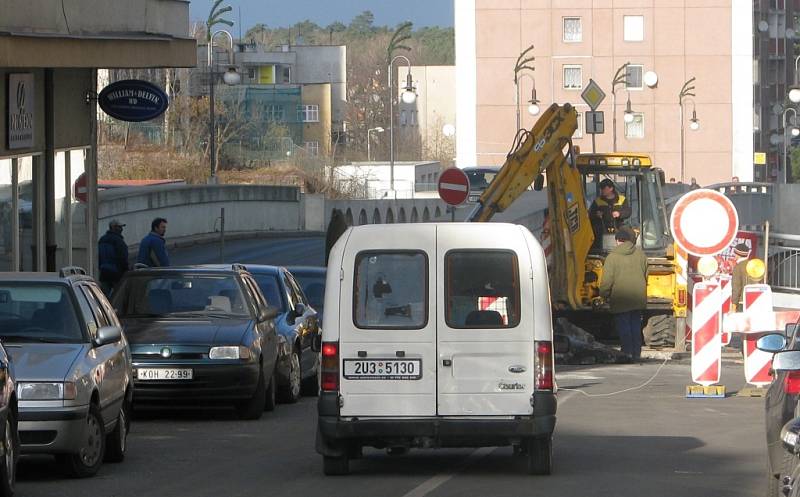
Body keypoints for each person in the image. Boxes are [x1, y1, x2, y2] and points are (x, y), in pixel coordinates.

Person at [599, 227, 648, 362]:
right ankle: (636, 354)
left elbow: (607, 280)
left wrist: (603, 295)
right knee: (635, 326)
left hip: (621, 298)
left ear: (617, 241)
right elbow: (646, 275)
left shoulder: (612, 257)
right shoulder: (641, 255)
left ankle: (626, 353)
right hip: (638, 297)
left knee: (624, 326)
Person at [589, 179, 631, 244]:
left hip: (619, 228)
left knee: (629, 233)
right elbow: (590, 214)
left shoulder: (622, 199)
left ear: (611, 188)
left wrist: (619, 214)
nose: (602, 190)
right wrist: (596, 214)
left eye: (604, 188)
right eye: (601, 188)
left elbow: (628, 212)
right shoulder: (597, 201)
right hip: (601, 231)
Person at [98, 219, 129, 296]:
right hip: (117, 273)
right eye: (120, 227)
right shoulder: (119, 241)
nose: (122, 229)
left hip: (104, 272)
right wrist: (126, 270)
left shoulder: (102, 239)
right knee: (119, 296)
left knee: (104, 297)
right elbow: (123, 258)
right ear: (114, 227)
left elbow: (98, 256)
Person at [730, 243, 760, 312]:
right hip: (754, 300)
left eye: (735, 253)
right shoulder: (753, 265)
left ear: (738, 255)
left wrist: (734, 304)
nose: (734, 255)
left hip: (742, 302)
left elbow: (736, 287)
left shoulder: (738, 267)